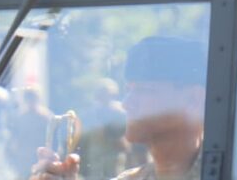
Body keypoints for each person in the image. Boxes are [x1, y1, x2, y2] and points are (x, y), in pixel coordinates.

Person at [31, 36, 209, 180]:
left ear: (194, 99)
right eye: (129, 91)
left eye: (145, 91)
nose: (126, 103)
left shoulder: (231, 171)